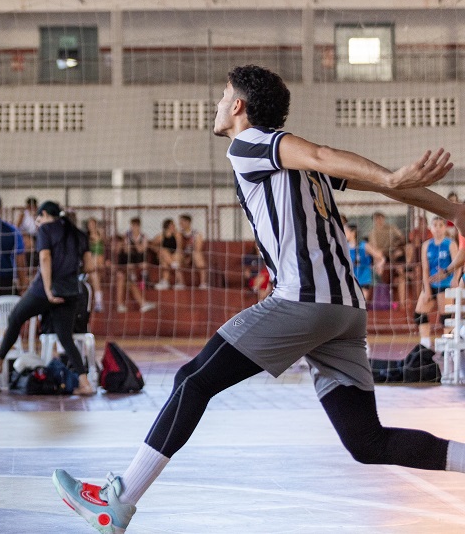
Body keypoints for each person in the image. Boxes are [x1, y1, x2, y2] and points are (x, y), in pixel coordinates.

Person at [53, 64, 465, 534]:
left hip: (303, 301)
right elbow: (361, 176)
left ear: (239, 106)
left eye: (223, 92)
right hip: (345, 311)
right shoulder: (303, 168)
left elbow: (333, 156)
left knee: (192, 380)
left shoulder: (250, 144)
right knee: (367, 441)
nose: (217, 101)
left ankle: (118, 500)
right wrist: (451, 209)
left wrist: (393, 180)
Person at [0, 201, 96, 396]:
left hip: (44, 290)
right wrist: (69, 269)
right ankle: (85, 383)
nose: (37, 222)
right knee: (65, 338)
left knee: (16, 317)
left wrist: (49, 289)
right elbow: (90, 266)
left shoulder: (45, 230)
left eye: (38, 218)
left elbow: (44, 259)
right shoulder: (78, 233)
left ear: (43, 215)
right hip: (71, 290)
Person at [415, 216, 455, 348]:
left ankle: (448, 346)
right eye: (435, 225)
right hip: (431, 284)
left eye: (440, 225)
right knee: (419, 313)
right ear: (430, 228)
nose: (437, 228)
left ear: (444, 228)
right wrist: (426, 289)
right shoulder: (426, 245)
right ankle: (425, 342)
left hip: (446, 284)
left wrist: (454, 279)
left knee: (446, 317)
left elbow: (457, 265)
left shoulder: (450, 244)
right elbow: (425, 268)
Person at [366, 211, 407, 309]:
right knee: (379, 258)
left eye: (381, 218)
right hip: (380, 258)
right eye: (377, 219)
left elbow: (402, 238)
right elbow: (374, 249)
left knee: (401, 278)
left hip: (392, 255)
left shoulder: (391, 228)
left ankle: (402, 304)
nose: (379, 220)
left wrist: (396, 246)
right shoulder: (372, 232)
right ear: (374, 221)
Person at [114, 217, 155, 314]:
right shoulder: (126, 237)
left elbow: (141, 250)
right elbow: (126, 250)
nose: (134, 228)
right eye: (132, 226)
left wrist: (135, 243)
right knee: (126, 278)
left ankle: (142, 303)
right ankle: (140, 304)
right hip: (127, 262)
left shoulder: (143, 236)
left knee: (129, 280)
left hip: (137, 259)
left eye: (136, 226)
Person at [343, 222, 375, 304]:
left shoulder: (363, 245)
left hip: (364, 279)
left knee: (362, 304)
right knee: (351, 305)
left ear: (353, 232)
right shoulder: (344, 247)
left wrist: (379, 265)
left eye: (345, 231)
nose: (343, 233)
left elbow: (380, 256)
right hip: (350, 280)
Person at [177, 214, 209, 289]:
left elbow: (198, 248)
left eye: (182, 222)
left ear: (188, 222)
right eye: (180, 223)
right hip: (184, 256)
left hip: (193, 256)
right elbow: (179, 248)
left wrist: (190, 257)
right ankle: (180, 283)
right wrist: (184, 256)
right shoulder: (179, 234)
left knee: (196, 254)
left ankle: (203, 283)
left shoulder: (196, 234)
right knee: (177, 255)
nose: (180, 224)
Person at [151, 218, 181, 290]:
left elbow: (179, 247)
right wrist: (157, 250)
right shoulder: (161, 236)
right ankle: (173, 266)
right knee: (163, 251)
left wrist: (174, 255)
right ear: (167, 226)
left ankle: (165, 282)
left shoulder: (177, 235)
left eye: (174, 225)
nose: (174, 226)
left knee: (167, 261)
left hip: (174, 255)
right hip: (163, 255)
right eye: (172, 225)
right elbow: (152, 245)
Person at [85, 217, 107, 311]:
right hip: (90, 268)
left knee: (95, 274)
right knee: (94, 275)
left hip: (100, 267)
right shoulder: (86, 238)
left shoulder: (101, 237)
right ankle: (97, 303)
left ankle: (98, 302)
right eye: (89, 224)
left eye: (93, 224)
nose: (91, 226)